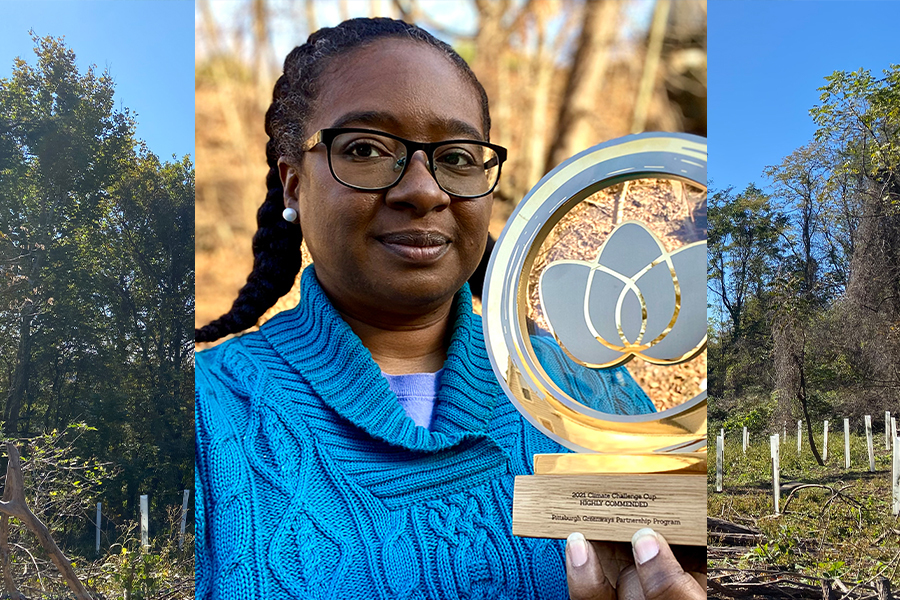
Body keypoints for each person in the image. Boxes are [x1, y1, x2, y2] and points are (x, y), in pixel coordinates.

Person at [194, 17, 704, 600]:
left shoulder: (587, 391)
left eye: (458, 157)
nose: (425, 190)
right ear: (292, 185)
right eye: (364, 149)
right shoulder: (204, 416)